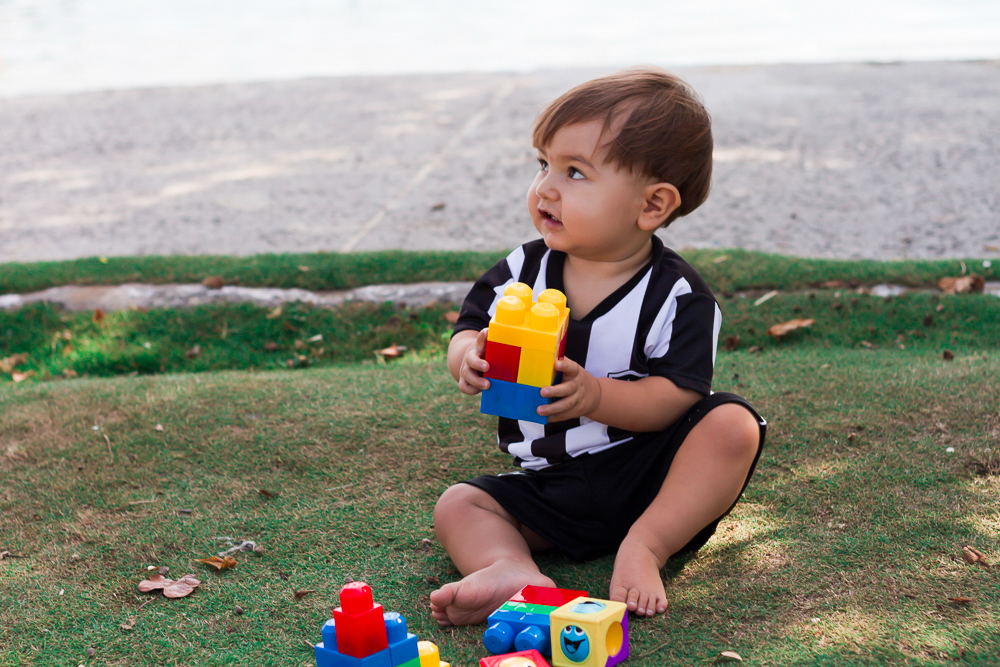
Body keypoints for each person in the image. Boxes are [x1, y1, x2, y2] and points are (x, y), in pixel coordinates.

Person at [429, 68, 766, 627]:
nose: (546, 187)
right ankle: (513, 570)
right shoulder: (522, 272)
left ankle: (647, 545)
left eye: (576, 172)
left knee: (732, 425)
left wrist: (594, 396)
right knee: (460, 505)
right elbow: (467, 329)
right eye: (543, 164)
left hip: (651, 474)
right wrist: (467, 357)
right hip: (553, 484)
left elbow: (676, 397)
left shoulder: (678, 297)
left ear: (652, 205)